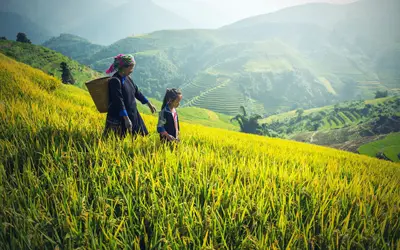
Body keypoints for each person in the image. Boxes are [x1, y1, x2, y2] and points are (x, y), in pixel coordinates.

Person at [103, 54, 157, 139]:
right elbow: (119, 101)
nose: (132, 70)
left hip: (132, 114)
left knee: (141, 138)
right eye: (131, 68)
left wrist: (149, 104)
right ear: (124, 67)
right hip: (120, 117)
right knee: (116, 141)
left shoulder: (128, 78)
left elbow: (137, 92)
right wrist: (126, 119)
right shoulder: (115, 81)